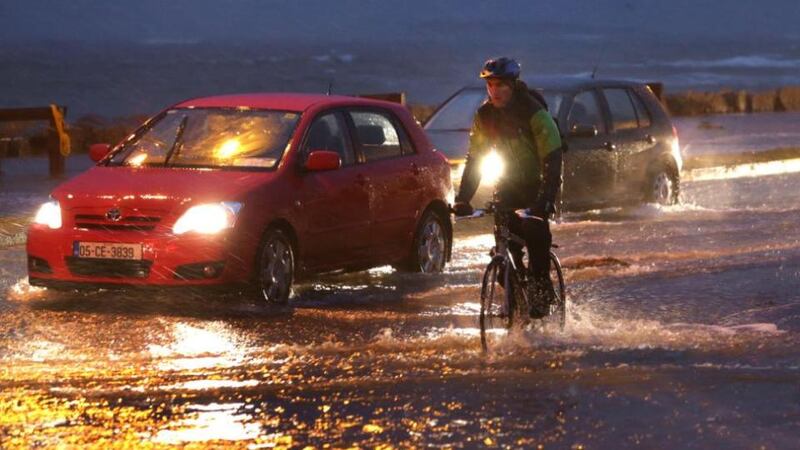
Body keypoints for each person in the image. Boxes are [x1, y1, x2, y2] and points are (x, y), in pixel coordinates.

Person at [453, 57, 563, 318]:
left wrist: (546, 199)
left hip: (538, 184)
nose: (494, 91)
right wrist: (463, 198)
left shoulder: (533, 112)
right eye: (490, 85)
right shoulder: (484, 115)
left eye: (500, 85)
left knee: (535, 235)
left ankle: (541, 293)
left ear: (513, 86)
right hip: (507, 185)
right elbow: (476, 158)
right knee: (504, 252)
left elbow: (553, 157)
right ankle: (515, 298)